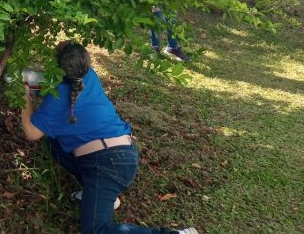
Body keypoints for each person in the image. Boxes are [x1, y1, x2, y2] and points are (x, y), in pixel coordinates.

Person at [21, 41, 198, 234]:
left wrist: (24, 94)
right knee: (55, 141)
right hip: (122, 153)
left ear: (58, 67)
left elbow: (31, 132)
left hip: (105, 164)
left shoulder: (57, 97)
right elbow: (53, 84)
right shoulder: (89, 76)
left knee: (96, 231)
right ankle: (101, 196)